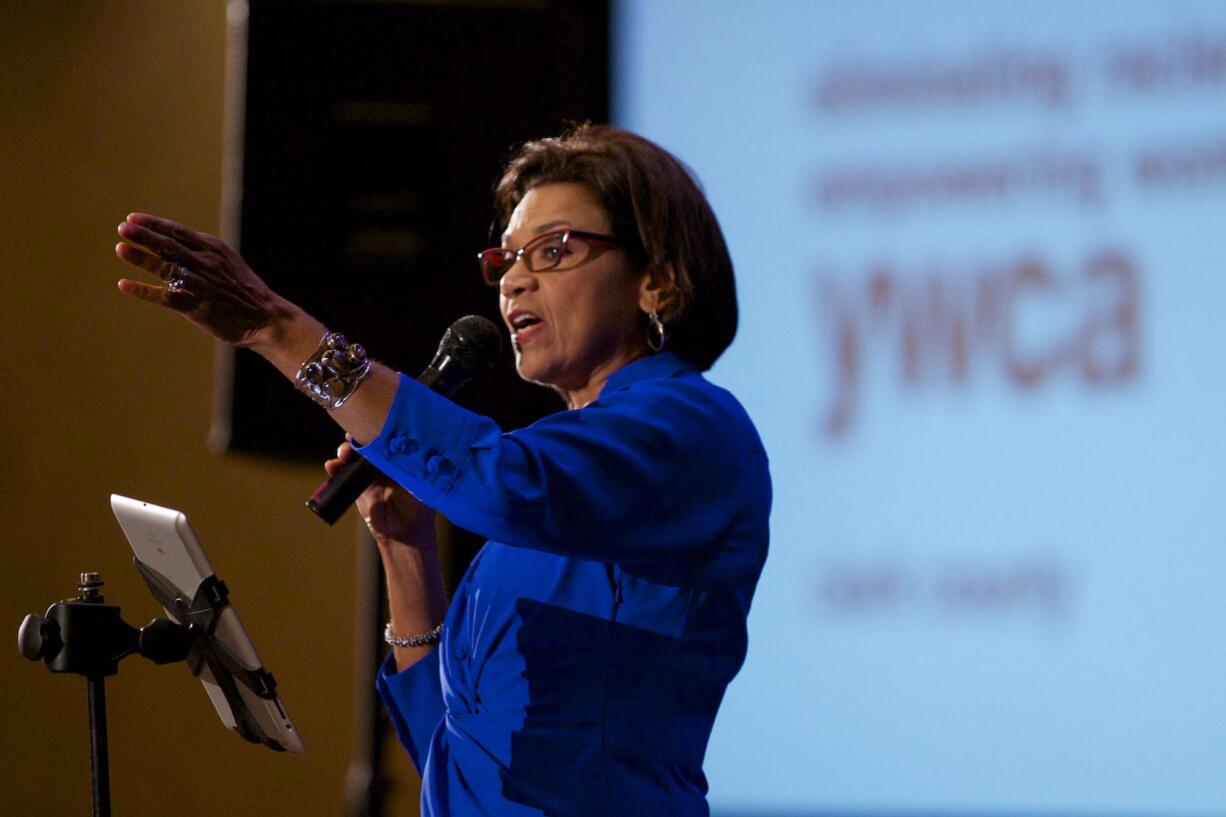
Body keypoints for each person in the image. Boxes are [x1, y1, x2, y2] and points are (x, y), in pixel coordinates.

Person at [115, 124, 770, 816]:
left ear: (656, 280)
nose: (516, 279)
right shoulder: (548, 471)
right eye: (508, 258)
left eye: (554, 250)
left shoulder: (693, 428)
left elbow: (496, 481)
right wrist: (408, 549)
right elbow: (448, 747)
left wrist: (280, 329)